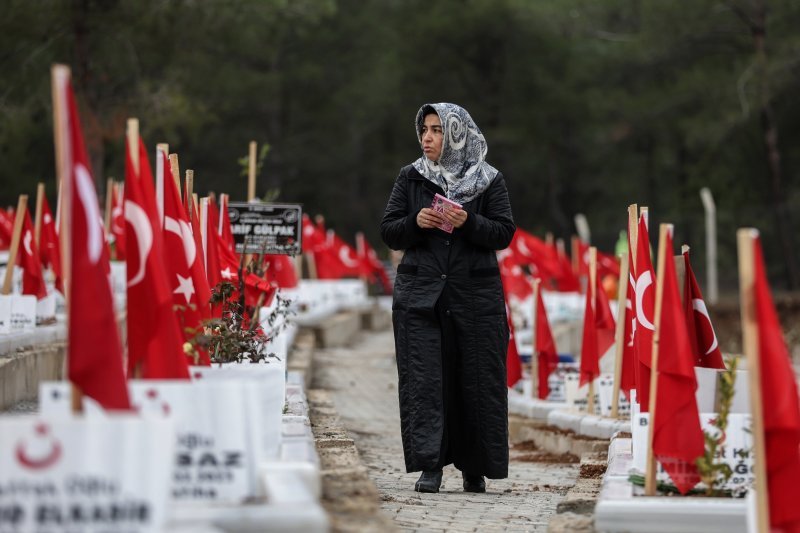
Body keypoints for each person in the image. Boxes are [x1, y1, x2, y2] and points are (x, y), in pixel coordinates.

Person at [380, 103, 515, 493]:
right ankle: (430, 466)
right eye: (424, 129)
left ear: (458, 134)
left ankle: (475, 468)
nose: (427, 137)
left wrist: (468, 221)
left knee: (475, 381)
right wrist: (415, 222)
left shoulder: (489, 180)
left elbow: (504, 233)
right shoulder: (411, 178)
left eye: (437, 130)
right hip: (420, 299)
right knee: (426, 382)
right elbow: (389, 231)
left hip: (475, 299)